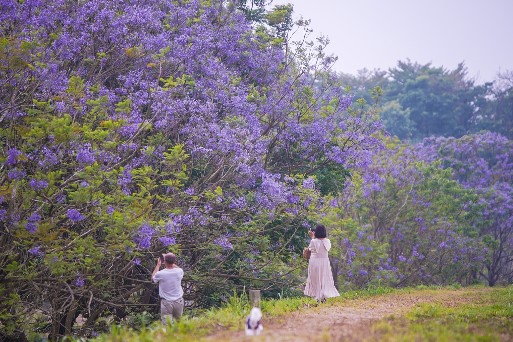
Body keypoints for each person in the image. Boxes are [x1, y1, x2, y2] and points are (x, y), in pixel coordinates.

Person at [304, 224, 340, 303]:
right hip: (324, 262)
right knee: (324, 279)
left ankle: (317, 296)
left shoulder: (313, 241)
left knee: (315, 278)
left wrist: (312, 237)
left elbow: (310, 248)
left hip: (315, 262)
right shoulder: (327, 241)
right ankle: (322, 296)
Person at [152, 252, 184, 324]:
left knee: (166, 324)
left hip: (166, 302)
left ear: (164, 261)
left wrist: (158, 265)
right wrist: (169, 259)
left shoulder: (161, 273)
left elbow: (153, 278)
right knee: (178, 323)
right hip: (178, 301)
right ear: (174, 261)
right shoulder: (179, 271)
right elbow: (177, 267)